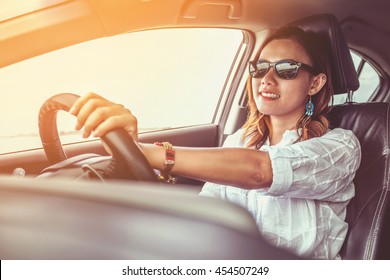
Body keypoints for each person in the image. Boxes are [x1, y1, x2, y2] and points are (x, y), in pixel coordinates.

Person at [68, 26, 361, 259]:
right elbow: (209, 213)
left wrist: (148, 152)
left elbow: (260, 171)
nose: (267, 79)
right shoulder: (239, 141)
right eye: (259, 68)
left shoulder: (340, 146)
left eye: (286, 69)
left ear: (315, 83)